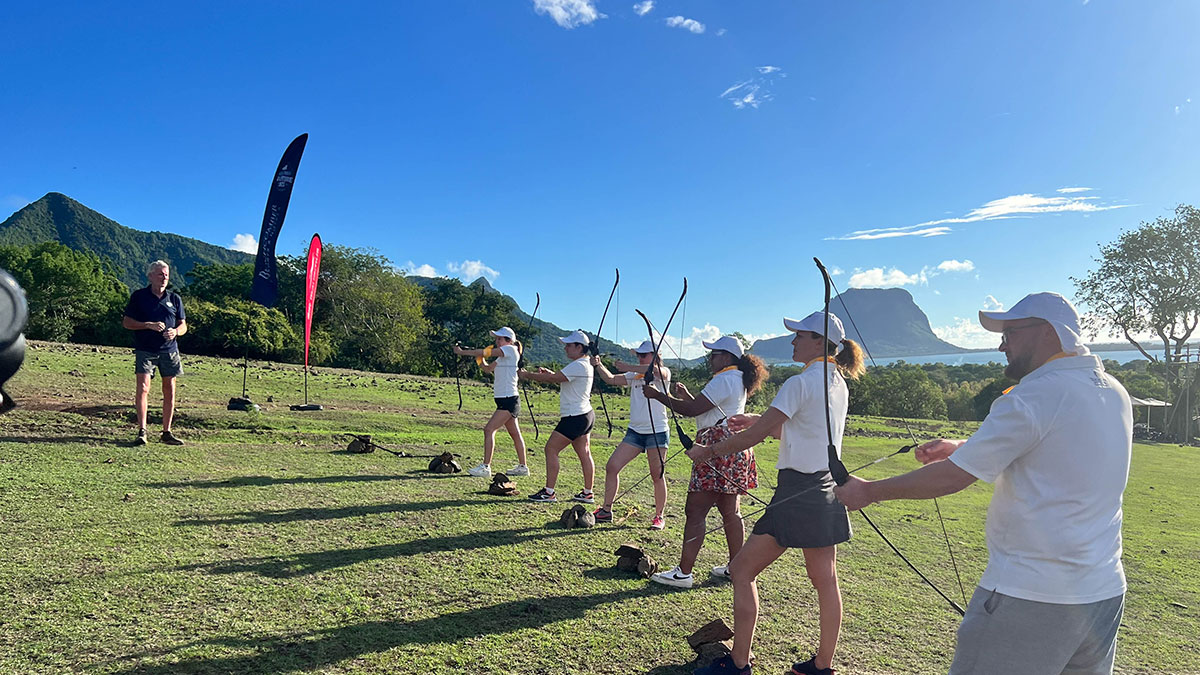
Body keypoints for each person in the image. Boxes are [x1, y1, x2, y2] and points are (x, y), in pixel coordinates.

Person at [834, 293, 1131, 675]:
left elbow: (955, 476)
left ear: (1047, 333)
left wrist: (869, 491)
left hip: (1030, 596)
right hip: (1102, 594)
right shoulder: (1111, 389)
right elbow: (1057, 445)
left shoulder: (1033, 395)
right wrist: (962, 446)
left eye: (1010, 332)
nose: (1001, 343)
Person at [687, 312, 865, 675]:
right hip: (825, 489)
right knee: (825, 581)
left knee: (741, 571)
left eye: (799, 335)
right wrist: (758, 421)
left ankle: (738, 662)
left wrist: (706, 452)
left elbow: (754, 437)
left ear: (818, 340)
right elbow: (798, 434)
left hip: (798, 490)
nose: (792, 341)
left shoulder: (800, 383)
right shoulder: (838, 383)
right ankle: (822, 666)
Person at [644, 335, 767, 590]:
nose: (710, 359)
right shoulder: (736, 379)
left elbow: (691, 411)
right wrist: (687, 395)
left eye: (714, 354)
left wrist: (657, 396)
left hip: (716, 446)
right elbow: (706, 409)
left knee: (696, 510)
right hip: (735, 446)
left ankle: (684, 573)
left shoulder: (723, 379)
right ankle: (736, 567)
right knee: (730, 511)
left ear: (727, 357)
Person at [589, 340, 671, 529]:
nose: (640, 358)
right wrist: (599, 365)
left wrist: (627, 366)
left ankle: (659, 516)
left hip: (657, 431)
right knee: (612, 466)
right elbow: (611, 379)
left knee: (656, 475)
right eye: (638, 355)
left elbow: (657, 371)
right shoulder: (634, 375)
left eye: (644, 355)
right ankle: (606, 510)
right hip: (635, 431)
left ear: (655, 355)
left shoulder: (663, 373)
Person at [519, 330, 597, 503]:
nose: (566, 348)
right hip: (585, 414)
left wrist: (527, 375)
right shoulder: (585, 364)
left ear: (579, 347)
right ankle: (588, 492)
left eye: (569, 345)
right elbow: (560, 377)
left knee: (551, 449)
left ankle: (549, 492)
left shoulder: (578, 365)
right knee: (584, 453)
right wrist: (549, 373)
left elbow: (553, 379)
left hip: (574, 416)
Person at [122, 260, 187, 446]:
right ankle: (142, 431)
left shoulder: (175, 298)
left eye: (166, 274)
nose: (164, 277)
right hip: (145, 349)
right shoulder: (139, 296)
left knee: (170, 390)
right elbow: (126, 322)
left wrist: (175, 331)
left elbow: (183, 325)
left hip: (170, 350)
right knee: (143, 388)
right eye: (160, 274)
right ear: (150, 276)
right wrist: (147, 325)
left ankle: (166, 432)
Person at [453, 326, 531, 478]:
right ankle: (523, 467)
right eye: (496, 339)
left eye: (499, 339)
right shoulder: (503, 355)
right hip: (507, 400)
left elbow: (485, 352)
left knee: (489, 430)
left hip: (508, 400)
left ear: (509, 341)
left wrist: (462, 352)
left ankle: (486, 467)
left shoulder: (510, 350)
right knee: (515, 434)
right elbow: (488, 369)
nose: (497, 341)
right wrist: (479, 359)